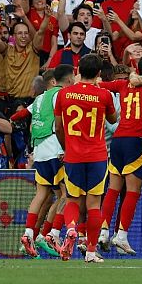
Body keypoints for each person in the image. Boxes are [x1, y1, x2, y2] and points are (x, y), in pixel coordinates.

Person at [54, 54, 119, 263]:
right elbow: (113, 119)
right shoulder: (104, 95)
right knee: (94, 204)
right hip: (97, 156)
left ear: (77, 70)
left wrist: (67, 148)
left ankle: (72, 228)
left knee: (72, 199)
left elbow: (58, 127)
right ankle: (90, 252)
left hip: (73, 155)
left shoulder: (64, 94)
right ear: (99, 73)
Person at [97, 57, 142, 256]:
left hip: (118, 140)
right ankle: (122, 236)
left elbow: (100, 84)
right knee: (133, 191)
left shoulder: (122, 84)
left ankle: (103, 232)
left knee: (113, 189)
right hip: (137, 140)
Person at [20, 64, 74, 257]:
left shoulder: (39, 98)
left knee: (41, 195)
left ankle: (28, 234)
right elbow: (61, 124)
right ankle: (53, 233)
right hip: (56, 150)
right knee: (67, 195)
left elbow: (20, 115)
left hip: (40, 152)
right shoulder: (61, 94)